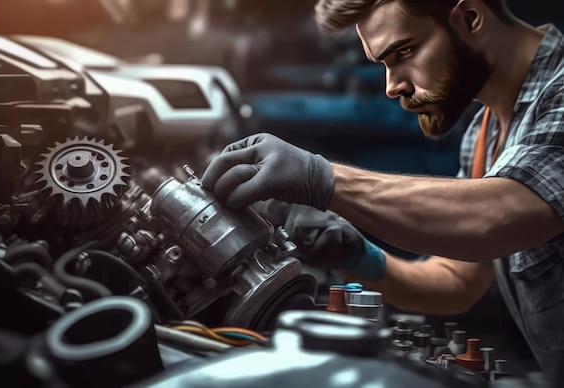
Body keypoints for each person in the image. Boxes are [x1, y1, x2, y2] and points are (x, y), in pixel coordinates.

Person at [200, 0, 564, 383]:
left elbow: (501, 213)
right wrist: (358, 255)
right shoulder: (484, 133)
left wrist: (318, 177)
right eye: (383, 64)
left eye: (404, 52)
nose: (393, 86)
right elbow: (457, 282)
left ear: (470, 17)